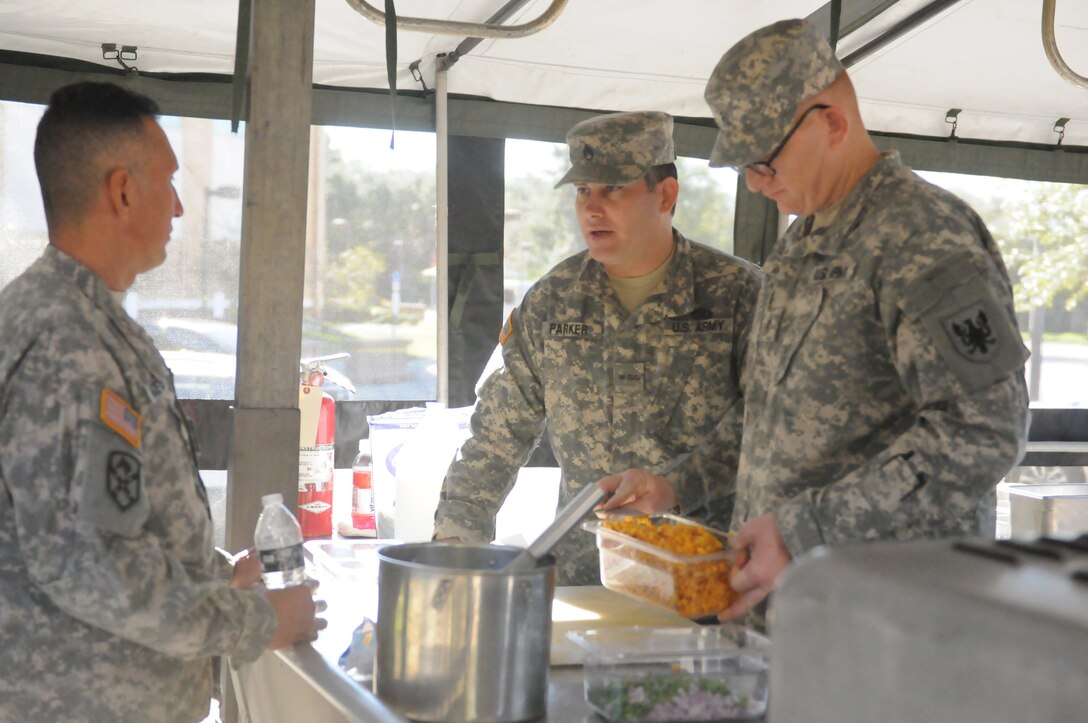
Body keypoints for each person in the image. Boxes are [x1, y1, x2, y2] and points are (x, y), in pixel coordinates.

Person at [599, 19, 1031, 619]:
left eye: (765, 162)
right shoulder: (800, 247)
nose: (754, 183)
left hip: (890, 616)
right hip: (792, 613)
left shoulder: (923, 236)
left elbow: (985, 432)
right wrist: (676, 483)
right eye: (743, 166)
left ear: (831, 122)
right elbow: (765, 416)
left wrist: (806, 529)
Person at [0, 81, 323, 722]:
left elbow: (110, 523)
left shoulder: (79, 318)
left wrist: (210, 573)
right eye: (169, 182)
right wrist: (256, 621)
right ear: (122, 191)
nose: (179, 206)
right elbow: (93, 566)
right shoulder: (70, 341)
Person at [432, 111, 763, 584]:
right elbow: (496, 435)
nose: (592, 208)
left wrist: (679, 487)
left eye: (613, 189)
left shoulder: (740, 296)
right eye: (583, 191)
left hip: (707, 583)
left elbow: (770, 429)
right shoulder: (554, 300)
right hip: (586, 583)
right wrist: (455, 542)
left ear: (666, 194)